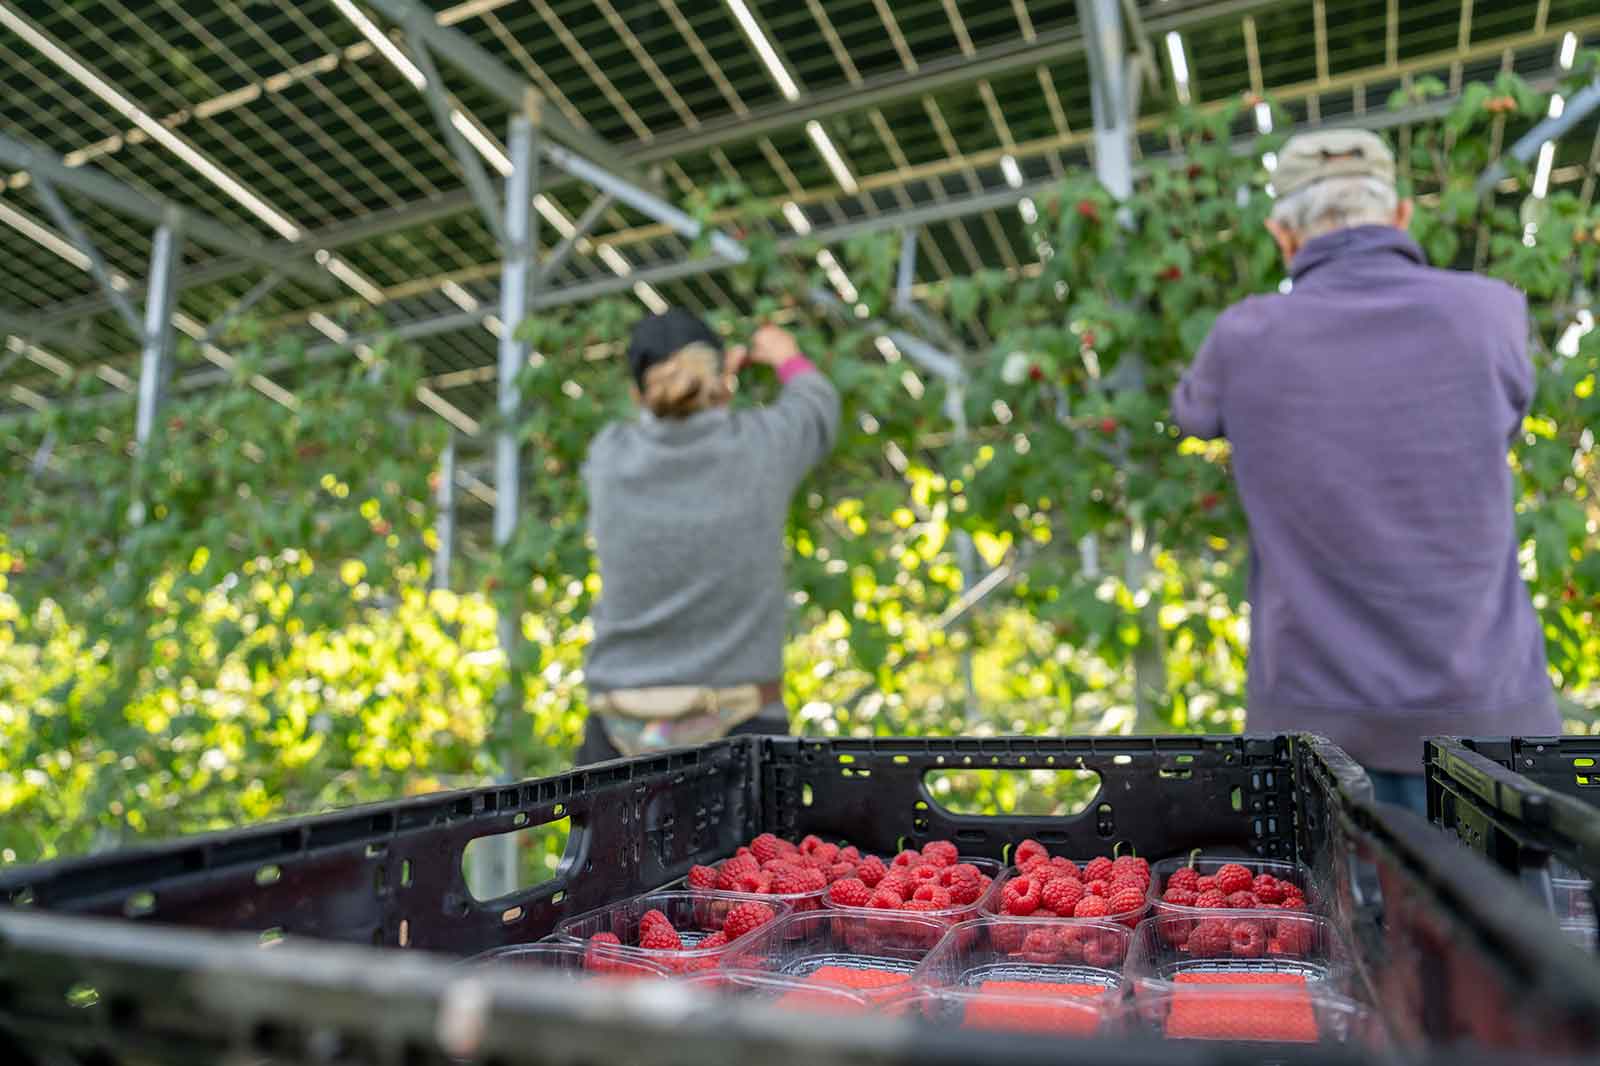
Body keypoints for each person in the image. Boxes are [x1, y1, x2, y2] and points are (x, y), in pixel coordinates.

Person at [1171, 129, 1560, 813]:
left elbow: (1192, 414)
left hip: (1315, 740)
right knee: (1504, 923)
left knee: (1321, 923)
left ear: (1283, 235)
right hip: (1493, 731)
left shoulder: (1243, 336)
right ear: (1402, 215)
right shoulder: (1489, 312)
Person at [577, 309, 840, 765]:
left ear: (637, 393)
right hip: (741, 726)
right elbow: (817, 407)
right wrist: (787, 356)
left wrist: (710, 386)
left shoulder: (607, 457)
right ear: (722, 382)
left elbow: (660, 419)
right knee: (751, 843)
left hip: (615, 733)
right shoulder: (762, 445)